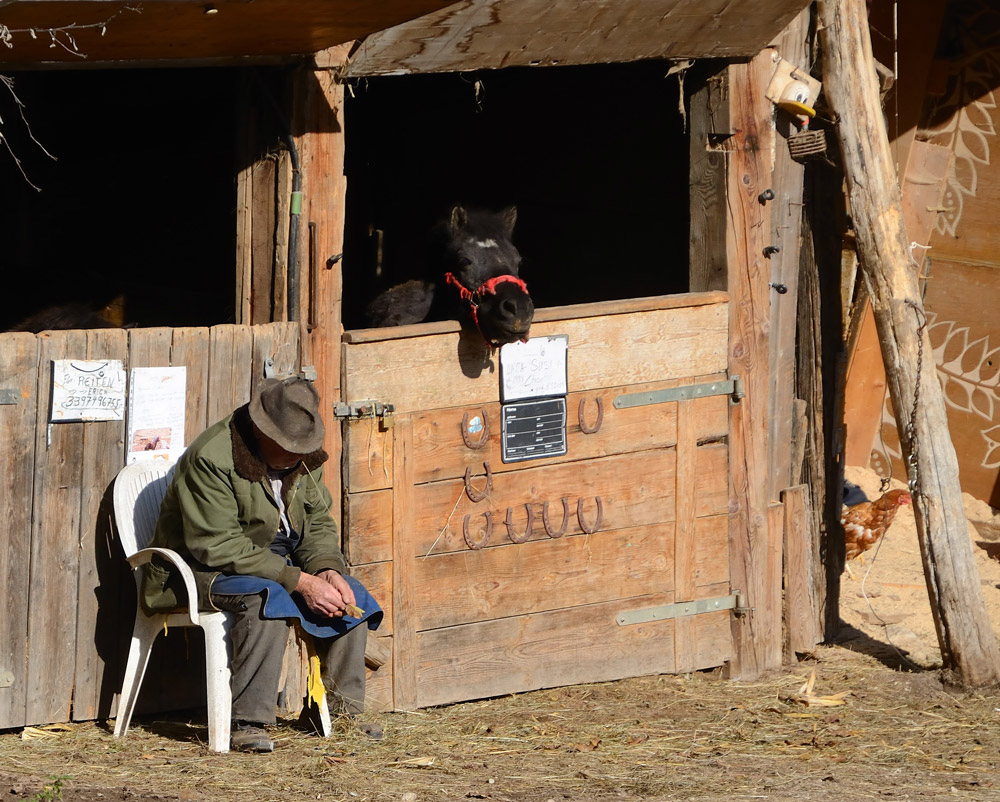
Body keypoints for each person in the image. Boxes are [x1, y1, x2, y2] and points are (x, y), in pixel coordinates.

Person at [140, 376, 382, 752]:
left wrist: (325, 569)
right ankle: (247, 721)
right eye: (286, 446)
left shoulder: (303, 459)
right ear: (259, 429)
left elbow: (317, 522)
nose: (295, 455)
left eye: (301, 447)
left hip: (271, 559)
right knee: (269, 596)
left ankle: (342, 713)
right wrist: (297, 581)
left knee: (351, 595)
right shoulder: (212, 457)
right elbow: (216, 546)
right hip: (197, 570)